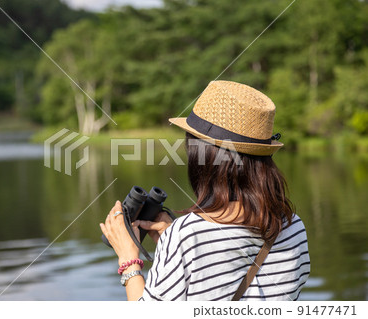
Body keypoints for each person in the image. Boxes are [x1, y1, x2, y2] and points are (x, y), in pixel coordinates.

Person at [100, 80, 310, 301]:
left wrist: (128, 260)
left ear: (204, 158)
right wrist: (175, 245)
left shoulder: (185, 235)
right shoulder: (293, 226)